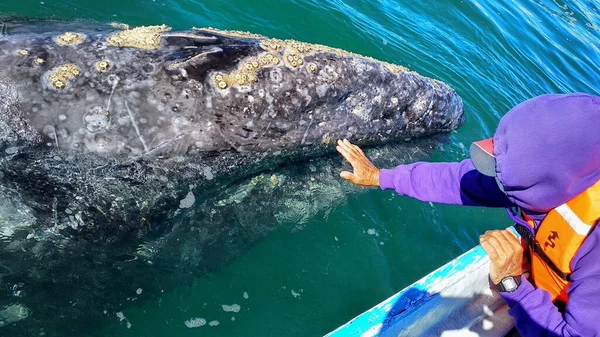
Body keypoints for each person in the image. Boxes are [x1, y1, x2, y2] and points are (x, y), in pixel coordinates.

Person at [336, 93, 600, 336]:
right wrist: (381, 176)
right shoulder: (567, 177)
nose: (496, 184)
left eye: (511, 182)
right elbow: (456, 180)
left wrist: (512, 283)